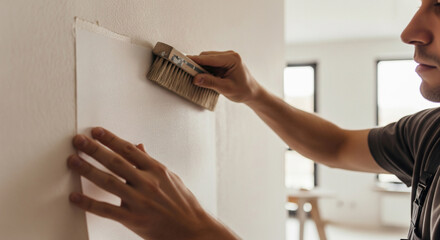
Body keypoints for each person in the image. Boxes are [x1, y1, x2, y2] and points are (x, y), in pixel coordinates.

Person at [67, 0, 440, 239]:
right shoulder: (429, 132)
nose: (410, 32)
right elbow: (337, 145)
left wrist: (193, 231)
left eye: (439, 6)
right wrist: (254, 94)